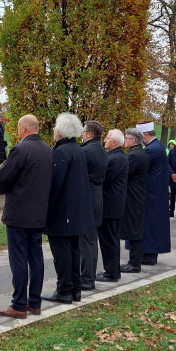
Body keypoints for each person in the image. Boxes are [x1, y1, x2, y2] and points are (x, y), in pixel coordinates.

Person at [0, 115, 52, 319]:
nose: (17, 132)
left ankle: (18, 304)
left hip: (19, 214)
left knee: (19, 258)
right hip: (38, 213)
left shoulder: (21, 149)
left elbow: (3, 177)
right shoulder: (47, 150)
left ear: (25, 128)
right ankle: (34, 302)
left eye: (18, 128)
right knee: (36, 257)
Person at [42, 113, 93, 304]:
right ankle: (74, 289)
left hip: (63, 212)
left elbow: (55, 184)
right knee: (73, 251)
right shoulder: (78, 150)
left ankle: (64, 290)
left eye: (56, 127)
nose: (54, 130)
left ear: (62, 132)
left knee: (62, 254)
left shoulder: (61, 152)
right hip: (75, 212)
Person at [78, 120, 107, 292]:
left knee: (86, 242)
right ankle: (90, 276)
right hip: (96, 199)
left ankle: (87, 279)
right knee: (91, 241)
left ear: (89, 134)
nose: (81, 135)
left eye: (83, 132)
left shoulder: (86, 151)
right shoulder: (100, 150)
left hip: (87, 201)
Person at [96, 128, 128, 282]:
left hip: (110, 205)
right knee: (110, 239)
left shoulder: (115, 159)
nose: (105, 140)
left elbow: (104, 179)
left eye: (107, 138)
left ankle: (111, 272)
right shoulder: (117, 156)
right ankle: (111, 270)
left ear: (114, 142)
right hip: (113, 204)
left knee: (109, 239)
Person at [138, 124, 170, 265]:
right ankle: (148, 253)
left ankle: (149, 255)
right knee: (151, 224)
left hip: (152, 193)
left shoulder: (152, 149)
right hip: (155, 192)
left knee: (150, 224)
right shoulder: (157, 146)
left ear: (145, 135)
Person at [120, 128, 149, 273]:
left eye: (126, 138)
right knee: (134, 227)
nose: (124, 140)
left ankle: (134, 262)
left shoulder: (135, 155)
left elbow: (124, 173)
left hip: (134, 195)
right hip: (136, 194)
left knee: (134, 229)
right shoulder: (138, 153)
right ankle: (133, 260)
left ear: (133, 140)